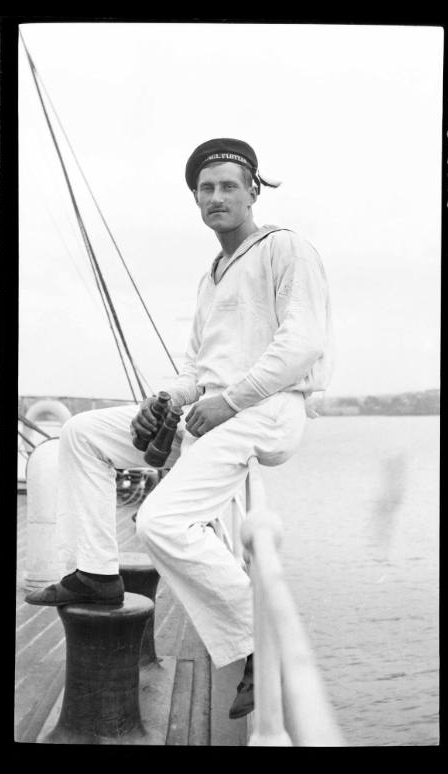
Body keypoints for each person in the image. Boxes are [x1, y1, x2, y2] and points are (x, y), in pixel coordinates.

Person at [25, 138, 334, 719]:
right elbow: (198, 369)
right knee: (83, 434)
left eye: (228, 186)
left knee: (161, 520)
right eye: (206, 188)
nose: (217, 197)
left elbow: (303, 345)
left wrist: (230, 401)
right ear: (196, 198)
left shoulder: (284, 249)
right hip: (216, 408)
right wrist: (165, 396)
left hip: (268, 407)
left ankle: (258, 642)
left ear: (252, 191)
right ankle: (95, 573)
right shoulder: (213, 275)